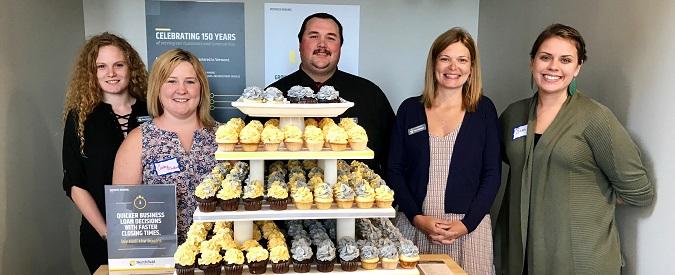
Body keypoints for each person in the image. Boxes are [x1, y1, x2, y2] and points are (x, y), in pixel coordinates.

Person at [494, 24, 655, 275]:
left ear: (578, 67)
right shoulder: (513, 115)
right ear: (532, 62)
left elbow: (639, 192)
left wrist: (588, 198)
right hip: (520, 257)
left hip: (581, 261)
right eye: (545, 57)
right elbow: (508, 162)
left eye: (565, 60)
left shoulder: (595, 118)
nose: (553, 67)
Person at [387, 28, 501, 275]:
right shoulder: (409, 110)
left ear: (471, 68)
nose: (453, 67)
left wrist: (466, 225)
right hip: (414, 227)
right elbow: (394, 170)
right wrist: (418, 218)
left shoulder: (484, 111)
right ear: (434, 63)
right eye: (445, 58)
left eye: (462, 60)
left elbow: (492, 174)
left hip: (468, 232)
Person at [62, 32, 148, 273]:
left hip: (152, 232)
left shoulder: (153, 109)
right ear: (91, 72)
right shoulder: (80, 117)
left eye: (118, 65)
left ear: (131, 67)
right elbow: (74, 183)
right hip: (102, 236)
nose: (111, 73)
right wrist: (107, 232)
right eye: (102, 66)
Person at [268, 12, 394, 175]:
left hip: (357, 197)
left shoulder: (370, 94)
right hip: (288, 197)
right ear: (300, 44)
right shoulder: (272, 98)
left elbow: (395, 158)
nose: (322, 44)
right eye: (314, 36)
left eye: (331, 38)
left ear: (340, 46)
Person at [112, 48, 218, 244]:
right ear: (157, 87)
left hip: (221, 257)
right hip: (160, 259)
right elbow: (123, 215)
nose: (182, 90)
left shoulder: (224, 138)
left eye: (190, 81)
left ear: (201, 87)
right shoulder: (137, 141)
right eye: (171, 81)